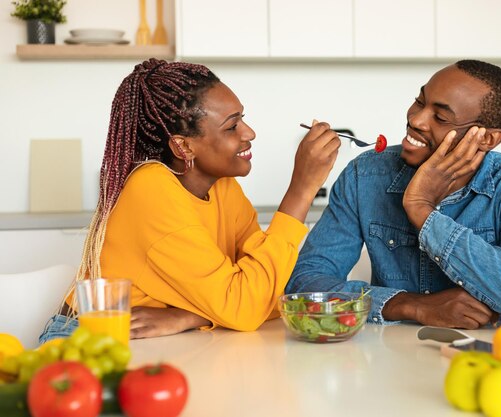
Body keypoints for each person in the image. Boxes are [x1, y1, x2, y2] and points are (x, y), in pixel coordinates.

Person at [40, 58, 340, 342]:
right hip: (89, 334)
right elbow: (245, 308)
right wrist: (302, 190)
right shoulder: (150, 190)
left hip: (157, 338)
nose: (250, 133)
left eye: (243, 119)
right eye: (232, 126)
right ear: (183, 146)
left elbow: (269, 291)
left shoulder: (224, 188)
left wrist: (187, 317)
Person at [286, 59, 501, 329]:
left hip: (490, 359)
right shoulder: (365, 175)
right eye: (420, 101)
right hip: (389, 359)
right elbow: (306, 284)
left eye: (441, 117)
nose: (415, 119)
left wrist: (422, 210)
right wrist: (411, 305)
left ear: (486, 139)